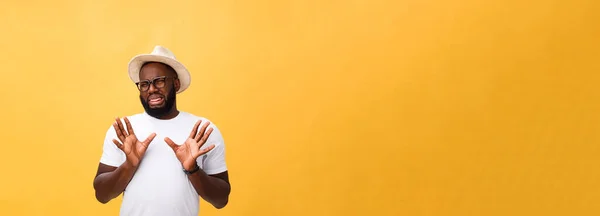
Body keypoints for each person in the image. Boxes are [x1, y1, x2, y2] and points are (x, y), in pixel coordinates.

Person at [92, 45, 231, 216]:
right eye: (144, 84)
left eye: (159, 81)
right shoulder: (124, 131)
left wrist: (193, 169)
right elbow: (102, 195)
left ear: (176, 83)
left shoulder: (202, 131)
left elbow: (221, 200)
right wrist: (129, 165)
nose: (151, 89)